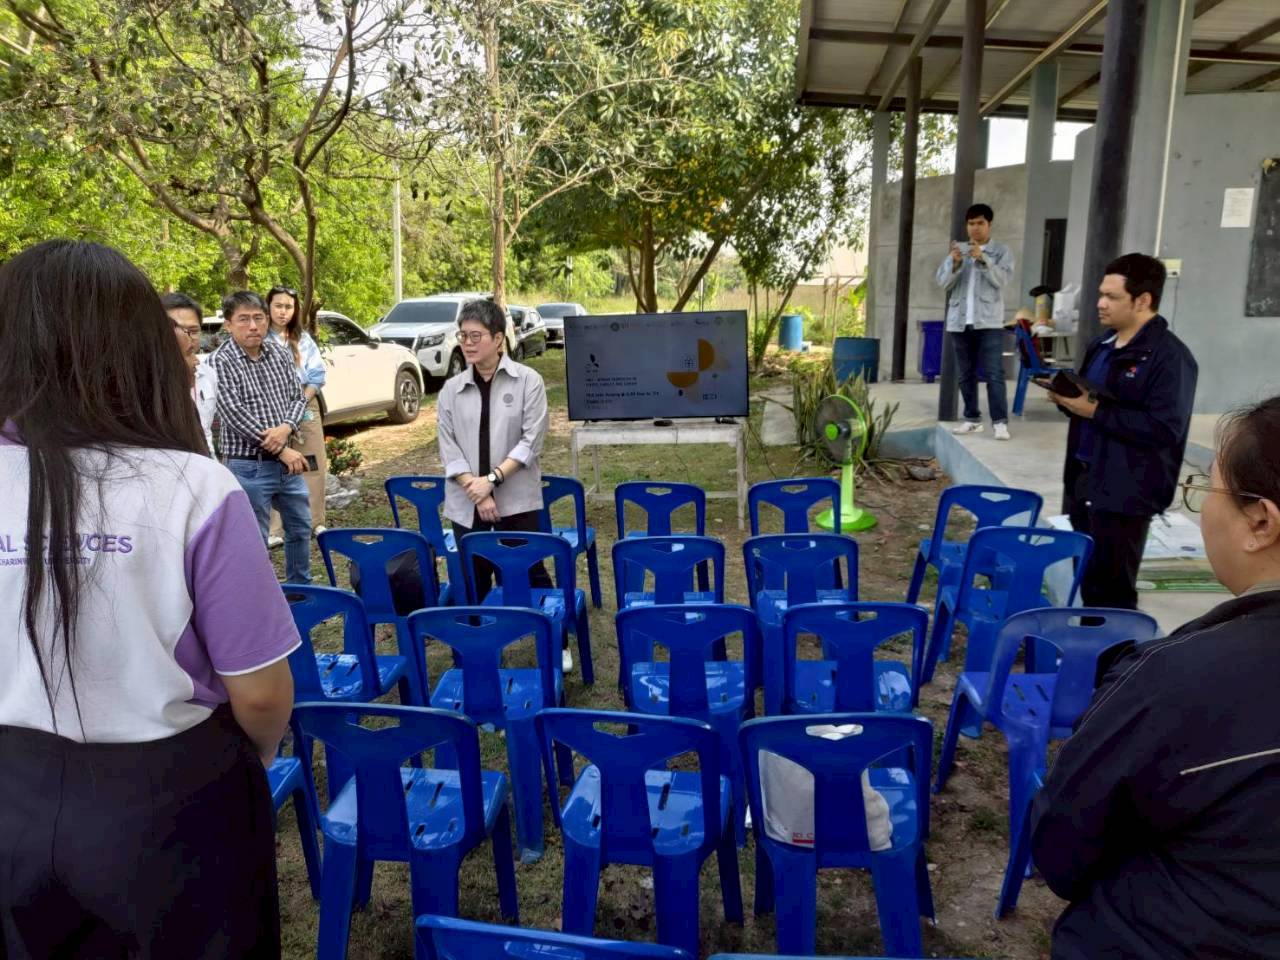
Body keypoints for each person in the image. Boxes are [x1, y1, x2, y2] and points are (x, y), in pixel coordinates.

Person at [0, 240, 298, 956]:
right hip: (172, 801)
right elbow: (262, 695)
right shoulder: (194, 488)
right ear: (139, 350)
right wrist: (246, 762)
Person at [1030, 395, 1280, 959]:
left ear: (1260, 522)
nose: (1202, 506)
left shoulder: (1175, 678)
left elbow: (1062, 847)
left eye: (1207, 488)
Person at [1049, 253, 1197, 610]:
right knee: (1086, 579)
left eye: (1112, 297)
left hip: (1126, 491)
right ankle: (1088, 642)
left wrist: (1094, 411)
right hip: (1084, 479)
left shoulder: (1169, 357)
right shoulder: (1101, 346)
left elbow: (1165, 429)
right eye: (1101, 294)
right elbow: (1088, 402)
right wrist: (1067, 400)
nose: (1100, 303)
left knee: (1113, 593)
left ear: (1142, 300)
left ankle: (1115, 647)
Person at [436, 300, 564, 668]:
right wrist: (476, 491)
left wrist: (491, 480)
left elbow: (530, 441)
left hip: (516, 498)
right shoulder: (451, 390)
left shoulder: (528, 381)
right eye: (463, 336)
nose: (468, 343)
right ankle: (479, 652)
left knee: (529, 571)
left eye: (476, 336)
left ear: (497, 339)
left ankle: (556, 643)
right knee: (474, 578)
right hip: (467, 501)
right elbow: (448, 447)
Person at [211, 289, 314, 584]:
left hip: (287, 465)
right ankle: (261, 599)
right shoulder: (221, 361)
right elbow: (233, 413)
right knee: (255, 540)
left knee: (300, 528)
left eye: (258, 318)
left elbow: (298, 397)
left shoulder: (279, 353)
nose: (253, 326)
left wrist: (286, 427)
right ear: (228, 324)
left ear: (267, 320)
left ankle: (300, 590)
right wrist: (281, 450)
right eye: (243, 319)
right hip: (248, 466)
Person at [935, 202, 1016, 440]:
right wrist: (955, 263)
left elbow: (1001, 280)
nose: (975, 228)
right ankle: (972, 419)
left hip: (989, 322)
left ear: (989, 224)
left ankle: (1000, 422)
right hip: (959, 322)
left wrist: (983, 259)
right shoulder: (958, 252)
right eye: (971, 223)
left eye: (980, 223)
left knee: (994, 374)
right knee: (965, 374)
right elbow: (943, 283)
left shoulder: (1001, 252)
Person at [265, 285, 329, 537]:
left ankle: (315, 521)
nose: (283, 312)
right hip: (271, 404)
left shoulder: (302, 339)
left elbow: (316, 375)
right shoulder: (260, 338)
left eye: (288, 307)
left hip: (304, 402)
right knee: (275, 464)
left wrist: (300, 402)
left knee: (311, 461)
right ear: (268, 307)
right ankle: (276, 529)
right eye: (278, 306)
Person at [162, 291, 218, 454]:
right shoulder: (147, 380)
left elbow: (206, 432)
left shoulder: (208, 374)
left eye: (193, 331)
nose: (187, 337)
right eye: (178, 330)